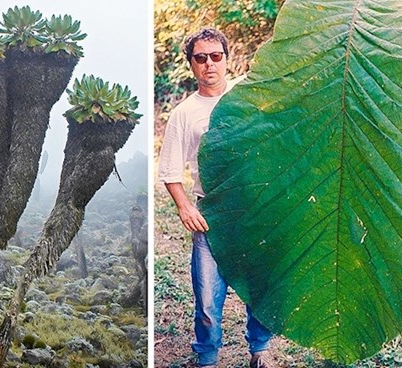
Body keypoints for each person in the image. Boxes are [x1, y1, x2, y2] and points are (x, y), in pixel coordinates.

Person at [158, 27, 276, 368]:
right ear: (191, 64)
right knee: (208, 298)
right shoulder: (184, 113)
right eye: (200, 58)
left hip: (254, 210)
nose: (209, 64)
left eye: (215, 56)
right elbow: (169, 170)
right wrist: (184, 206)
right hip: (211, 215)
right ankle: (207, 358)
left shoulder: (248, 94)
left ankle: (260, 351)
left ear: (226, 58)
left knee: (259, 288)